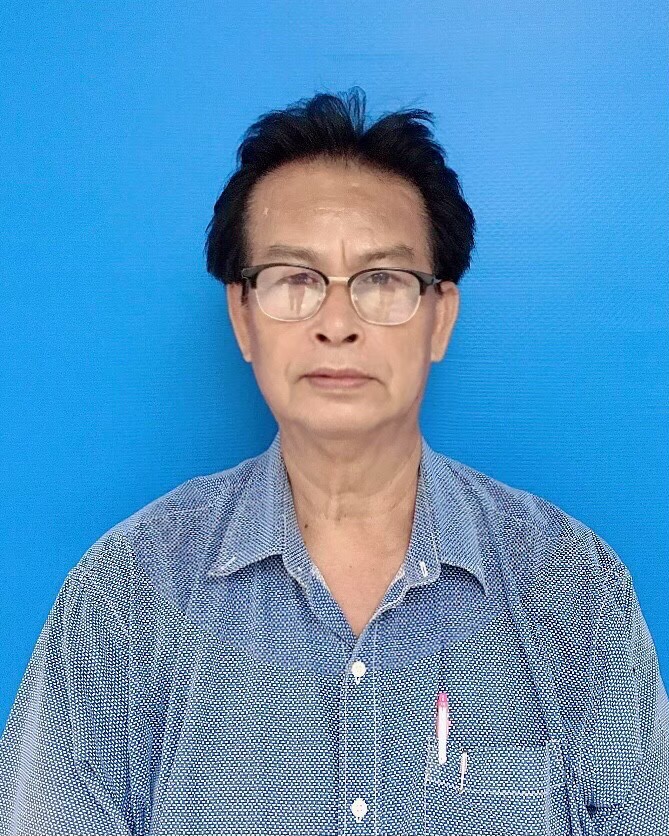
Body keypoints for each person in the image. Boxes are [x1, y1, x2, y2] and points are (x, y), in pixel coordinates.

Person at [0, 87, 667, 836]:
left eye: (382, 281)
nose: (338, 324)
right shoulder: (128, 595)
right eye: (295, 280)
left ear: (440, 317)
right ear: (241, 316)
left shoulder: (571, 589)